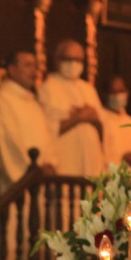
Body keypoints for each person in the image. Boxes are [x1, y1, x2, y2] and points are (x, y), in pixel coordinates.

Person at [0, 49, 59, 188]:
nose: (34, 71)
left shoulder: (33, 102)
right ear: (12, 70)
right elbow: (7, 141)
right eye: (28, 66)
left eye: (35, 66)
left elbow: (47, 137)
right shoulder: (3, 100)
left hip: (41, 177)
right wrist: (32, 170)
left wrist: (50, 163)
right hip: (20, 182)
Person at [38, 40, 106, 177]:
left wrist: (93, 118)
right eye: (68, 59)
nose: (73, 64)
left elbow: (102, 126)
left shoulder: (88, 89)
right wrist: (79, 118)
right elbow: (46, 128)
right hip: (66, 162)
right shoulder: (48, 88)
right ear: (58, 61)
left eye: (78, 60)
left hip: (92, 162)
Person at [100, 75, 131, 167]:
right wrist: (122, 158)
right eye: (113, 92)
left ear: (127, 93)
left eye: (121, 91)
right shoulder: (100, 119)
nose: (118, 96)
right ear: (105, 94)